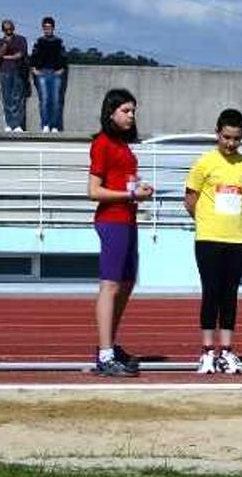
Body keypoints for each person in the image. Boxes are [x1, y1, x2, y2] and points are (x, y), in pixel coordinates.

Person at [184, 109, 242, 375]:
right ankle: (206, 352)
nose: (230, 143)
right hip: (208, 238)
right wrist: (206, 220)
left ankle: (226, 352)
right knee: (211, 292)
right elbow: (190, 199)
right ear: (217, 133)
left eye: (236, 139)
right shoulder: (204, 163)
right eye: (226, 137)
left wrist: (237, 220)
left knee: (230, 295)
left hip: (236, 239)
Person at [87, 88, 152, 377]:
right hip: (112, 220)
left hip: (128, 220)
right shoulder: (102, 144)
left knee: (125, 284)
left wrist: (140, 189)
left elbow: (125, 183)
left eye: (133, 111)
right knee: (110, 285)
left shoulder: (125, 147)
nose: (131, 116)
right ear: (111, 112)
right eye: (126, 111)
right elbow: (93, 191)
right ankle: (104, 354)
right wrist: (130, 196)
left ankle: (109, 345)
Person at [29, 16, 67, 133]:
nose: (47, 29)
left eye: (49, 27)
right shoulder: (39, 42)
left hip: (56, 74)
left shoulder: (58, 42)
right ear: (43, 28)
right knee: (44, 100)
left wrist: (62, 69)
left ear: (53, 28)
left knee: (55, 100)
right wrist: (33, 68)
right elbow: (33, 56)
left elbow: (64, 57)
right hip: (42, 73)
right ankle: (45, 124)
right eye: (45, 27)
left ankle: (54, 126)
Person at [0, 19, 28, 132]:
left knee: (17, 98)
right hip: (4, 71)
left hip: (18, 71)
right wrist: (6, 44)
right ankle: (9, 123)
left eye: (10, 29)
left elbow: (20, 54)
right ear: (3, 30)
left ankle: (17, 124)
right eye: (6, 29)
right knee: (7, 98)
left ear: (13, 28)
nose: (8, 31)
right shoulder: (0, 41)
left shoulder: (21, 39)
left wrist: (7, 57)